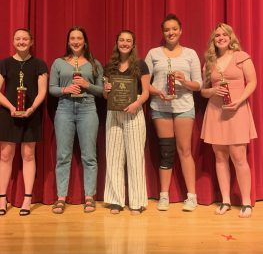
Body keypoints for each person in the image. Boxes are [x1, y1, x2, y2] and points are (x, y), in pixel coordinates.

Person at [145, 14, 202, 211]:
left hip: (184, 106)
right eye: (167, 29)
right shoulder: (153, 53)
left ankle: (192, 196)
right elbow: (144, 84)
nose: (171, 32)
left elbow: (199, 85)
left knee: (185, 150)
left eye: (174, 29)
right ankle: (164, 196)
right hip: (160, 108)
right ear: (163, 32)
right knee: (166, 151)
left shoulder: (190, 54)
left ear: (181, 30)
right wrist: (158, 92)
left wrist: (184, 81)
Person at [200, 23, 257, 218]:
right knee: (220, 157)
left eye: (224, 35)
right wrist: (213, 90)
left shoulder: (242, 57)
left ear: (230, 37)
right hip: (216, 112)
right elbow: (203, 91)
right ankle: (225, 200)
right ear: (213, 40)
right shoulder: (209, 62)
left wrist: (240, 100)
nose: (221, 38)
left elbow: (253, 82)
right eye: (217, 35)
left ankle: (246, 203)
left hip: (237, 111)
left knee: (239, 157)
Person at [49, 26, 103, 214]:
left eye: (79, 38)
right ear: (68, 41)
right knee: (63, 155)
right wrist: (66, 89)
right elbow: (52, 88)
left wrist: (87, 85)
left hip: (88, 109)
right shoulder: (58, 63)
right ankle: (61, 197)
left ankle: (90, 197)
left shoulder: (94, 64)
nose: (76, 41)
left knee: (89, 155)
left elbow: (102, 90)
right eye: (72, 38)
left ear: (85, 41)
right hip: (64, 109)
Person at [0, 28, 48, 216]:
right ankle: (2, 198)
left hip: (31, 114)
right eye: (18, 39)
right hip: (7, 113)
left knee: (28, 154)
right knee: (5, 155)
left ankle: (27, 198)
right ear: (13, 41)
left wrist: (32, 109)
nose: (21, 41)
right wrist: (11, 107)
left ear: (31, 42)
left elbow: (42, 91)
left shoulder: (39, 64)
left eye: (25, 38)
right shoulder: (4, 64)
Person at [103, 30, 150, 215]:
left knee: (135, 156)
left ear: (133, 44)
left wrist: (136, 104)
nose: (124, 43)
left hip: (134, 110)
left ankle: (137, 202)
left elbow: (146, 91)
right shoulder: (110, 66)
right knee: (114, 156)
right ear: (117, 42)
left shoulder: (141, 64)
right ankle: (116, 200)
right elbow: (106, 94)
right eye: (121, 40)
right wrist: (106, 89)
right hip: (113, 111)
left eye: (128, 40)